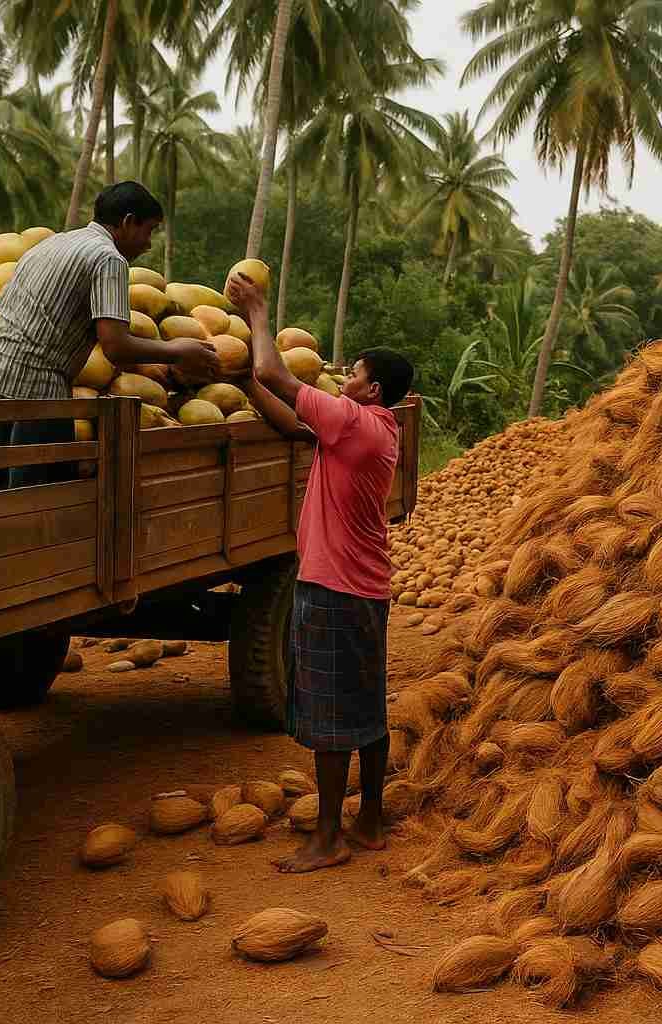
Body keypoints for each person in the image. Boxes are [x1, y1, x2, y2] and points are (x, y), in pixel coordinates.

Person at [226, 270, 414, 874]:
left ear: (374, 389)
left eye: (353, 373)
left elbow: (275, 374)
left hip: (333, 587)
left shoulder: (355, 423)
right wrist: (243, 382)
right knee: (365, 705)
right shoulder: (371, 430)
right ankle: (371, 821)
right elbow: (288, 421)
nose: (343, 378)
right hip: (362, 586)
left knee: (331, 716)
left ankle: (328, 837)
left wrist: (258, 312)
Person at [0, 181, 219, 491]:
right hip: (32, 383)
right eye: (148, 231)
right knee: (36, 499)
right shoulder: (108, 258)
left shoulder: (53, 243)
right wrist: (177, 350)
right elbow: (116, 345)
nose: (148, 244)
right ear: (127, 222)